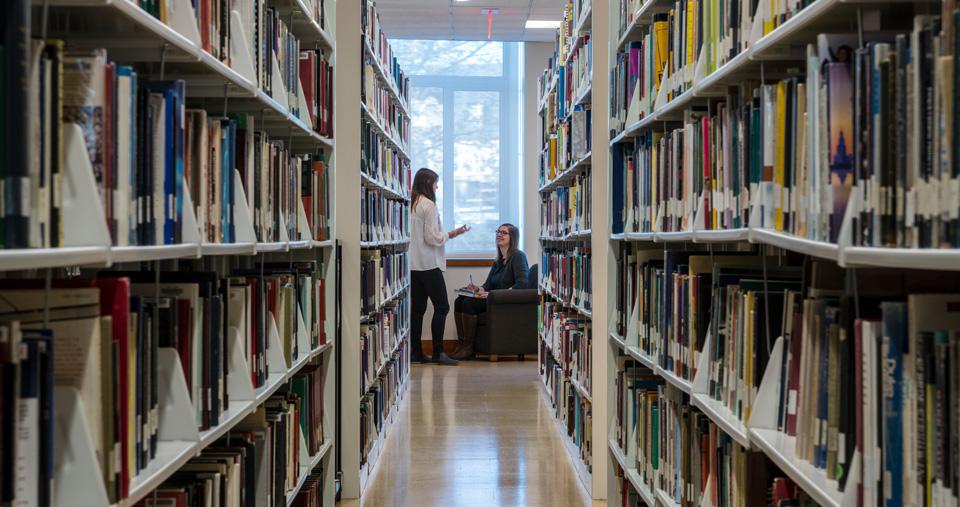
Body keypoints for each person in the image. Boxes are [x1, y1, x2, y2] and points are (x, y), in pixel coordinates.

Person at [409, 168, 469, 365]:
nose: (437, 186)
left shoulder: (412, 204)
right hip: (429, 266)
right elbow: (432, 238)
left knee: (417, 310)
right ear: (428, 183)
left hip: (414, 266)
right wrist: (452, 234)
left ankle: (415, 352)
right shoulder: (429, 205)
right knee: (442, 307)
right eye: (435, 182)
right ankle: (438, 352)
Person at [450, 223, 529, 360]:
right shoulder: (498, 261)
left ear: (513, 237)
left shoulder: (518, 256)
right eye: (498, 231)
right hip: (492, 298)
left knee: (469, 304)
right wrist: (476, 289)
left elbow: (523, 283)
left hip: (503, 302)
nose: (499, 234)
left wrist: (495, 294)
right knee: (460, 300)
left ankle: (469, 348)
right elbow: (487, 285)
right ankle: (462, 346)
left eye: (504, 232)